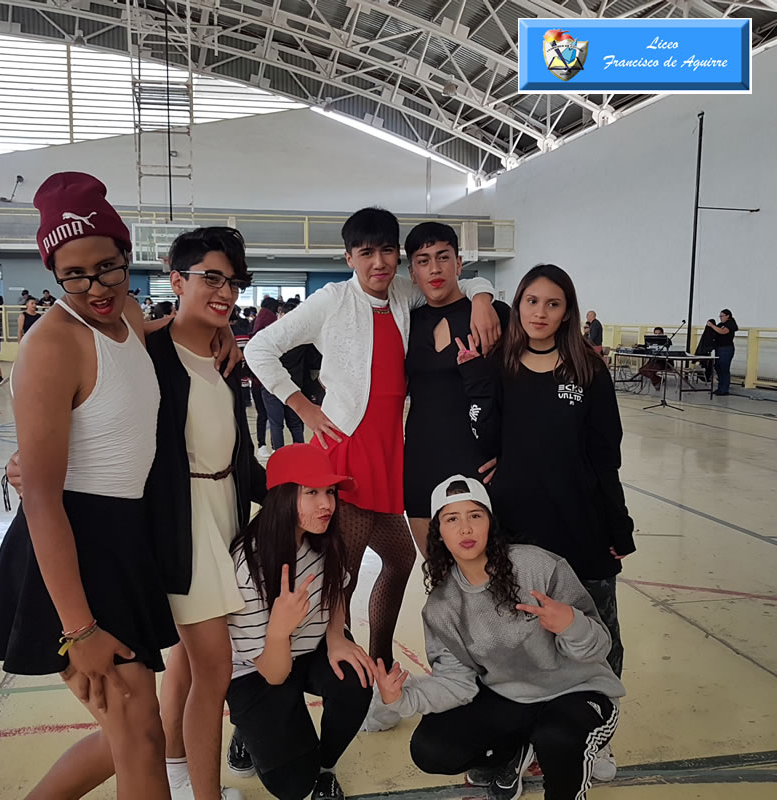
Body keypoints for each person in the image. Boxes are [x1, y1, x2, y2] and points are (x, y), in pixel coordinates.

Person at [0, 171, 179, 799]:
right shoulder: (52, 344)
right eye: (74, 275)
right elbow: (42, 497)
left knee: (129, 736)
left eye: (108, 268)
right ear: (53, 273)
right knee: (141, 739)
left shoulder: (126, 316)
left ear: (126, 256)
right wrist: (80, 629)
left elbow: (139, 352)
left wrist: (213, 336)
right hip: (70, 548)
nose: (96, 287)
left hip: (123, 541)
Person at [245, 207, 501, 668]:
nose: (378, 262)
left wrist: (482, 294)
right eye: (366, 253)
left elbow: (454, 284)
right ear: (349, 258)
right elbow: (261, 348)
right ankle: (342, 665)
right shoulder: (332, 300)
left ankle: (379, 661)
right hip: (346, 450)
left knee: (400, 560)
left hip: (386, 450)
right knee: (341, 571)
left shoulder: (402, 292)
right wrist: (302, 406)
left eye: (386, 251)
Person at [475, 264, 634, 780]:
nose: (540, 312)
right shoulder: (500, 365)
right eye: (531, 301)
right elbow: (484, 435)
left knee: (597, 635)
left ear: (567, 312)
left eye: (553, 304)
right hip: (517, 527)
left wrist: (618, 527)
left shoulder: (588, 370)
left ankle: (596, 735)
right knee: (524, 640)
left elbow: (606, 457)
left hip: (580, 523)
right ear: (518, 305)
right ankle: (526, 738)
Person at [373, 476, 624, 800]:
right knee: (431, 748)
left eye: (475, 515)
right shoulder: (442, 606)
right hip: (512, 699)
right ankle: (515, 753)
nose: (465, 528)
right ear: (438, 533)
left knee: (557, 739)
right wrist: (401, 697)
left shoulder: (537, 566)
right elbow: (456, 683)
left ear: (490, 523)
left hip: (577, 691)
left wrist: (571, 624)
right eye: (452, 519)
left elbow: (600, 646)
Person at [145, 226, 266, 800]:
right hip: (182, 523)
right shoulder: (150, 354)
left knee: (188, 664)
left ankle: (176, 770)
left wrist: (294, 487)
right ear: (177, 281)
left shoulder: (222, 354)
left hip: (223, 513)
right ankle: (205, 794)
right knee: (213, 669)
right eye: (210, 278)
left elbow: (236, 449)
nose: (225, 292)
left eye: (233, 282)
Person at [226, 444, 374, 800]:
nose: (326, 504)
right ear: (282, 497)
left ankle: (325, 768)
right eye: (311, 493)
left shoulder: (322, 539)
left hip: (309, 647)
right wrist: (279, 630)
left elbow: (337, 590)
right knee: (293, 786)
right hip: (260, 669)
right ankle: (247, 730)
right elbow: (274, 674)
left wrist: (337, 636)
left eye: (330, 492)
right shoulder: (248, 565)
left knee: (355, 679)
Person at [402, 221, 510, 558]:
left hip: (479, 460)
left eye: (443, 257)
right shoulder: (405, 322)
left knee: (487, 573)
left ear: (459, 264)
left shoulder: (493, 315)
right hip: (421, 460)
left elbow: (523, 392)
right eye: (423, 261)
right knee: (438, 573)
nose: (434, 269)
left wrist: (512, 452)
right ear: (412, 273)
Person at [261, 299, 307, 451]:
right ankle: (301, 454)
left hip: (273, 385)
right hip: (295, 384)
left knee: (276, 424)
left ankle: (278, 455)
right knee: (295, 423)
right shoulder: (303, 338)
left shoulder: (271, 335)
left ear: (281, 314)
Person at [249, 296, 280, 457]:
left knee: (263, 415)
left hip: (257, 380)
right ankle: (272, 446)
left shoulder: (256, 323)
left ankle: (262, 445)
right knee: (274, 418)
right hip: (267, 380)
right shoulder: (271, 322)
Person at [707, 309, 738, 396]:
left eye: (722, 316)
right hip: (719, 348)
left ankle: (724, 389)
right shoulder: (720, 324)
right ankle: (720, 388)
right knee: (718, 367)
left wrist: (712, 325)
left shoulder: (730, 324)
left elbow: (723, 331)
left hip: (726, 348)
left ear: (727, 316)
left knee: (724, 368)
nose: (720, 318)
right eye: (720, 316)